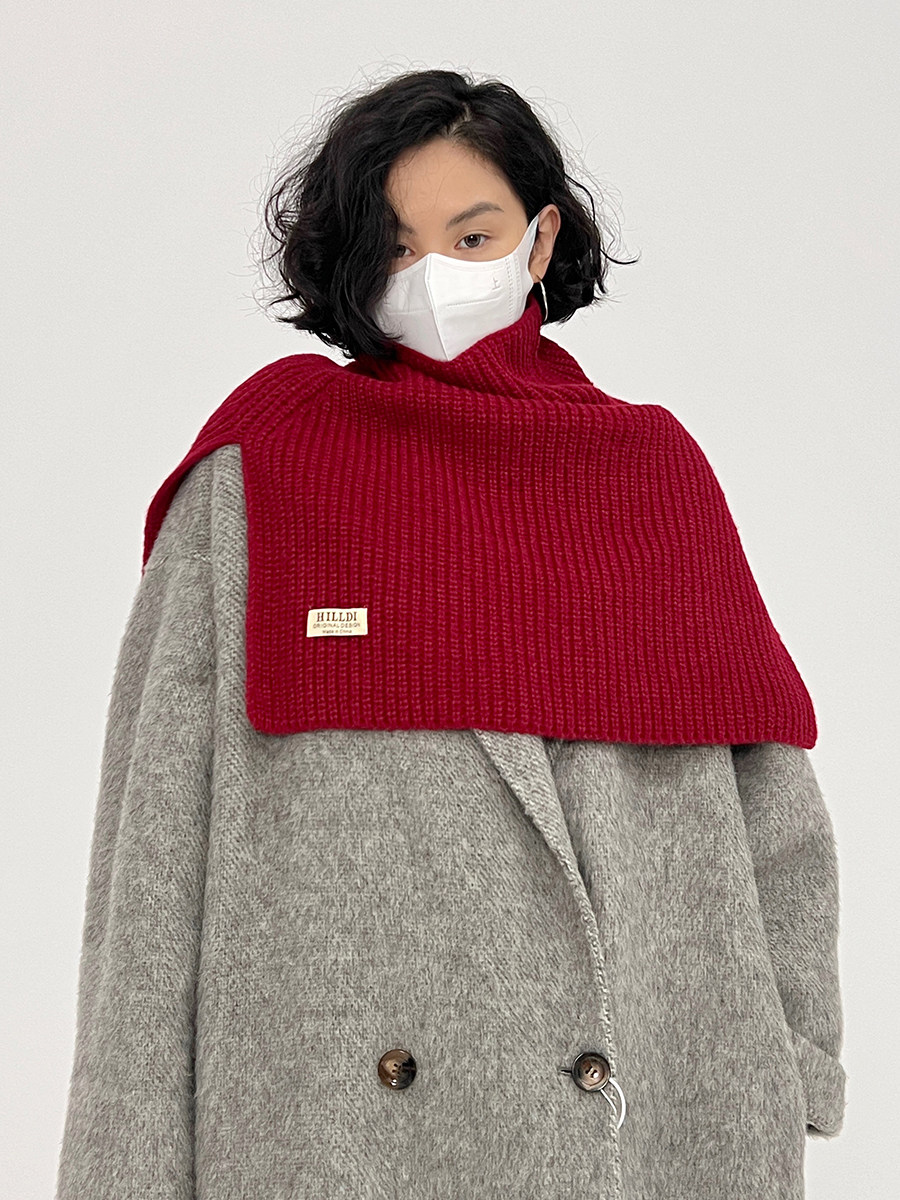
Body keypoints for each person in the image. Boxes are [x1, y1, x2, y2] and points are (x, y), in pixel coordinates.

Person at [55, 68, 846, 1199]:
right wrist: (124, 1151)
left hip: (659, 1094)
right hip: (332, 1118)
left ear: (540, 238)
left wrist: (796, 1060)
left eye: (472, 237)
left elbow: (776, 809)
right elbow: (153, 849)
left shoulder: (647, 470)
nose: (432, 277)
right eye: (394, 248)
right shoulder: (261, 472)